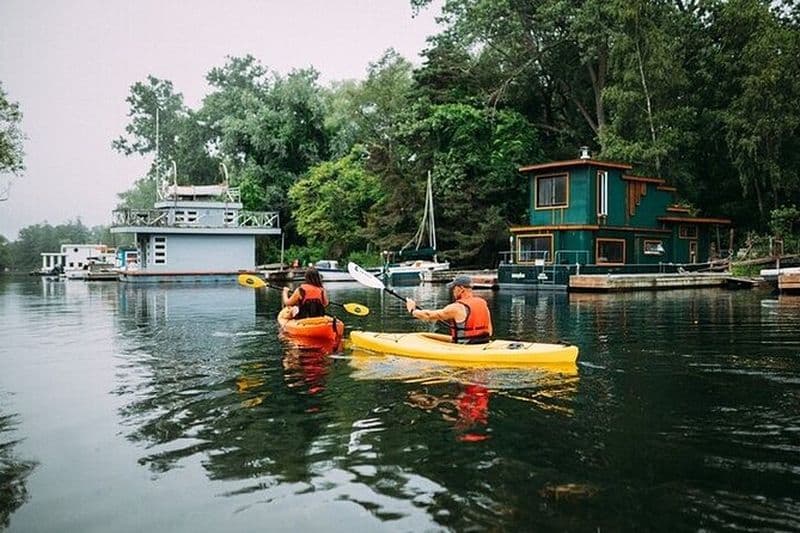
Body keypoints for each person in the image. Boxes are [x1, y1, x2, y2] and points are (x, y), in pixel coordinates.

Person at [405, 275, 493, 344]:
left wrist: (413, 310)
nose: (453, 292)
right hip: (483, 343)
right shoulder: (483, 303)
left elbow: (429, 315)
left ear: (460, 289)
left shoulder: (456, 307)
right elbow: (490, 331)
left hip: (465, 348)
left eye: (454, 289)